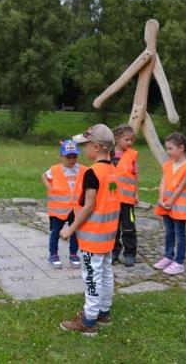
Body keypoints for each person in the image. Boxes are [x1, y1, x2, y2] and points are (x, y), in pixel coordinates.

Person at [58, 124, 119, 336]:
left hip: (93, 238)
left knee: (92, 277)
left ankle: (89, 321)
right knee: (106, 273)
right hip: (108, 236)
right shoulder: (112, 171)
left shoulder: (92, 173)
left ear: (96, 147)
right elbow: (109, 199)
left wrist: (70, 229)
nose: (83, 150)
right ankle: (103, 312)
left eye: (86, 146)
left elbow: (89, 205)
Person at [153, 132, 186, 276]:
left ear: (181, 148)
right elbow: (163, 182)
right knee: (169, 232)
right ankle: (168, 256)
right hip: (166, 204)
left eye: (170, 148)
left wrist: (171, 201)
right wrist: (161, 199)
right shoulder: (167, 165)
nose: (168, 151)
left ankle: (179, 262)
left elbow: (181, 187)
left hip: (179, 207)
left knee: (179, 233)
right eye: (167, 148)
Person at [42, 139, 87, 269]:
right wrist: (49, 188)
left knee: (75, 231)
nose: (72, 160)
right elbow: (44, 176)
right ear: (61, 156)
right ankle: (53, 254)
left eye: (74, 156)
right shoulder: (55, 170)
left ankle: (73, 254)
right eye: (69, 157)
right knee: (56, 232)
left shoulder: (83, 170)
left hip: (76, 209)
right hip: (59, 209)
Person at [111, 125, 139, 266]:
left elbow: (135, 176)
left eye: (131, 140)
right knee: (113, 227)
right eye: (126, 139)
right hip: (112, 199)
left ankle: (130, 253)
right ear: (117, 138)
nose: (129, 142)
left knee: (129, 227)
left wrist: (136, 194)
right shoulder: (109, 154)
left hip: (127, 200)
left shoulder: (132, 155)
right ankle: (114, 252)